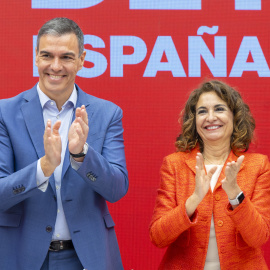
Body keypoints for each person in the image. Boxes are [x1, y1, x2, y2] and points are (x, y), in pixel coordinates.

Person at [0, 17, 128, 270]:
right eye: (47, 55)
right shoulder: (4, 113)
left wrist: (81, 154)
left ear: (82, 60)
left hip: (87, 258)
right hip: (21, 256)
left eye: (67, 57)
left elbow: (116, 189)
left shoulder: (107, 113)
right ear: (36, 57)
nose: (55, 66)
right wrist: (44, 167)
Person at [149, 80, 270, 269]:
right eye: (202, 111)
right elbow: (158, 237)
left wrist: (235, 194)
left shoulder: (258, 165)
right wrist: (194, 199)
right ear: (194, 120)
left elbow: (258, 237)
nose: (210, 117)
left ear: (235, 117)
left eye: (219, 109)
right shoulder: (174, 164)